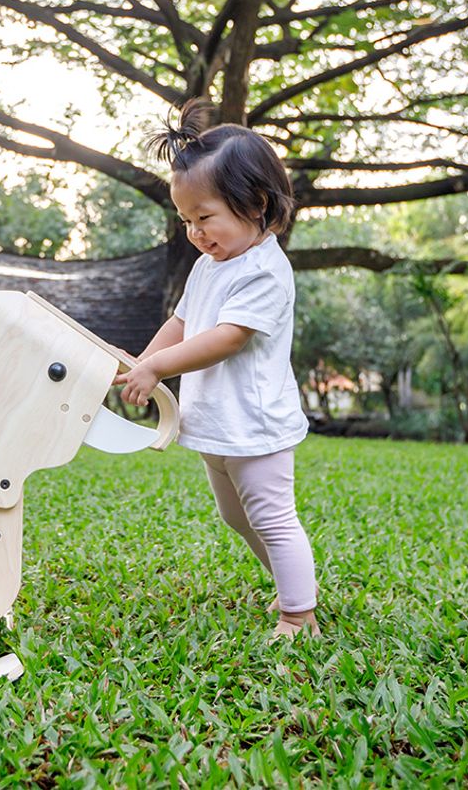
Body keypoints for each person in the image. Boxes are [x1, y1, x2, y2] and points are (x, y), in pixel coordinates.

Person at [116, 99, 319, 639]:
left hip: (256, 427)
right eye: (186, 220)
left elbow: (228, 338)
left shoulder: (265, 271)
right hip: (218, 425)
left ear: (255, 203)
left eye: (205, 217)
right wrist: (140, 364)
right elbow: (182, 322)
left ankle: (299, 614)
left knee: (273, 519)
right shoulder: (211, 265)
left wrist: (157, 368)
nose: (195, 232)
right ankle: (289, 583)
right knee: (237, 518)